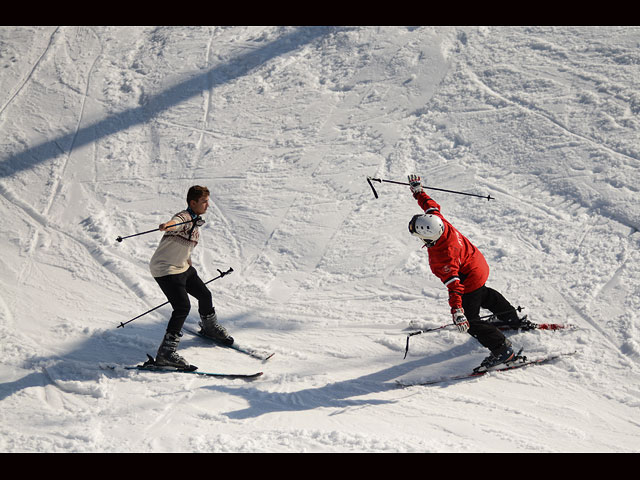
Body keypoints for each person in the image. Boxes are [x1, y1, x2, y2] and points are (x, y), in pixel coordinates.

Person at [406, 174, 522, 371]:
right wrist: (418, 191)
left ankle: (503, 351)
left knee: (471, 321)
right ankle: (509, 317)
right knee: (483, 293)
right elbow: (430, 206)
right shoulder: (439, 222)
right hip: (477, 264)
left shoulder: (443, 256)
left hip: (468, 277)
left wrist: (458, 312)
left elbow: (455, 287)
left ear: (427, 238)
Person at [149, 185, 233, 368]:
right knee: (182, 307)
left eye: (207, 201)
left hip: (182, 267)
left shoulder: (195, 224)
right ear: (192, 202)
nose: (207, 205)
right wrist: (166, 225)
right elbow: (176, 222)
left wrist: (189, 264)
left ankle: (210, 328)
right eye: (204, 202)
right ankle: (166, 353)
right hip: (165, 269)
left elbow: (184, 246)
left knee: (205, 295)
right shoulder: (185, 218)